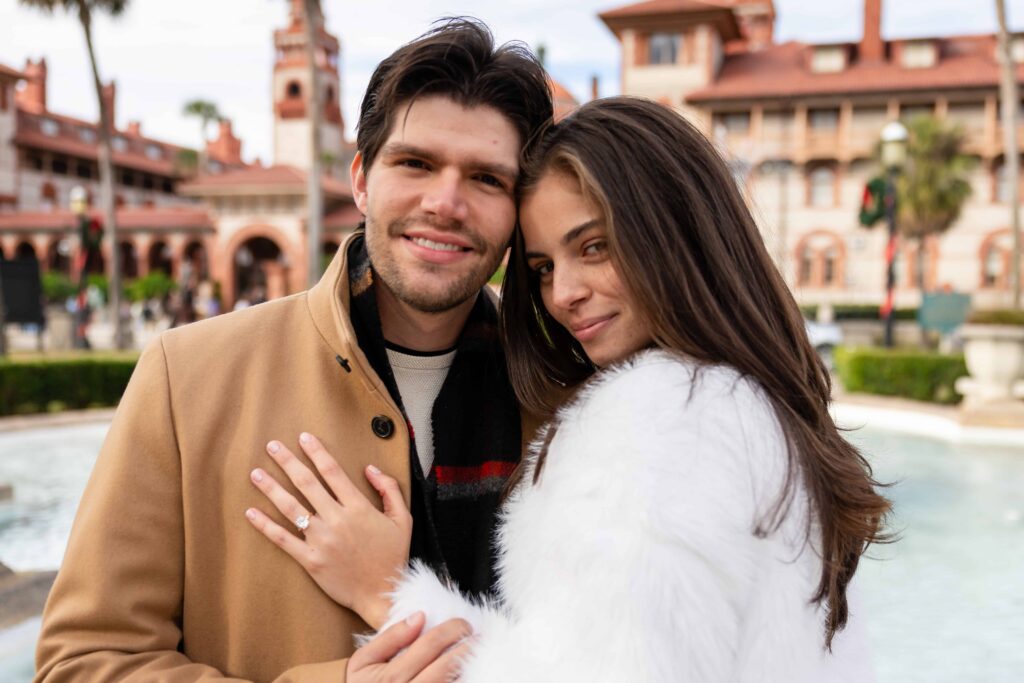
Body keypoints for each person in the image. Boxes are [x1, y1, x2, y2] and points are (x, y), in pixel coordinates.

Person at [251, 97, 891, 681]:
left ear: (677, 232)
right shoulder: (752, 404)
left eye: (595, 246)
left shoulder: (668, 419)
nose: (563, 294)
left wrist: (389, 590)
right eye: (543, 267)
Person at [34, 19, 552, 683]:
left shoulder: (568, 393)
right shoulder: (185, 376)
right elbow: (79, 663)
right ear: (361, 179)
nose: (445, 203)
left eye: (486, 178)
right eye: (415, 163)